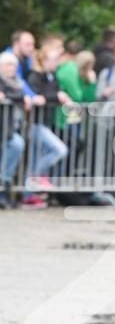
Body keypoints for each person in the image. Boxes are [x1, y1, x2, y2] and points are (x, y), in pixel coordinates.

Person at [22, 46, 70, 208]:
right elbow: (37, 96)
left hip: (45, 122)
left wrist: (58, 97)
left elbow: (49, 96)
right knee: (60, 150)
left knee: (34, 159)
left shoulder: (52, 76)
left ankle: (28, 196)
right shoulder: (35, 76)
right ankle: (36, 177)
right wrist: (56, 96)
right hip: (35, 123)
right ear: (44, 60)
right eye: (54, 60)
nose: (57, 64)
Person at [0, 52, 27, 209]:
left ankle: (4, 184)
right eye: (9, 65)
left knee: (16, 146)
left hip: (10, 127)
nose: (12, 68)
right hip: (4, 127)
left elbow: (19, 95)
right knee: (17, 144)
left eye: (14, 65)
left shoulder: (17, 82)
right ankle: (3, 184)